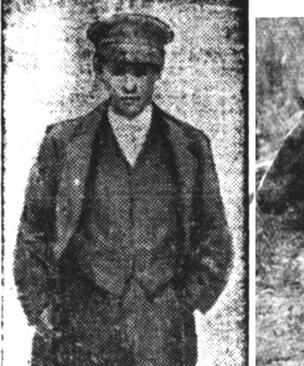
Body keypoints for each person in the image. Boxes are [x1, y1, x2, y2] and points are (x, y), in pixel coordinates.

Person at [14, 13, 233, 365]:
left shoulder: (191, 146)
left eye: (141, 72)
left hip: (160, 333)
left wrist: (181, 303)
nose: (129, 85)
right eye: (118, 71)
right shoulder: (63, 142)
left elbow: (215, 237)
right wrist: (41, 307)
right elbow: (33, 232)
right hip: (81, 330)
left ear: (157, 73)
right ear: (100, 72)